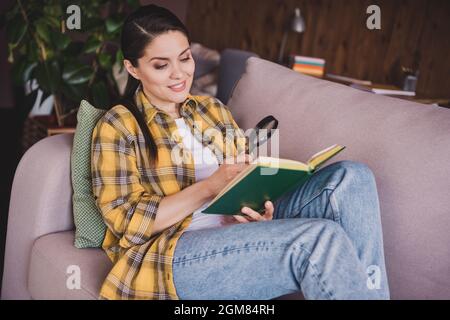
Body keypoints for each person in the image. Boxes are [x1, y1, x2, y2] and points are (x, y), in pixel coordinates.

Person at [91, 4, 390, 300]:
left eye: (184, 58)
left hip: (232, 232)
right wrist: (209, 187)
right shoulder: (118, 124)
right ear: (133, 68)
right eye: (161, 65)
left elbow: (241, 181)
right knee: (319, 238)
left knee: (352, 177)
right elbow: (127, 222)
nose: (179, 74)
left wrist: (256, 210)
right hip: (172, 253)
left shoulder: (212, 110)